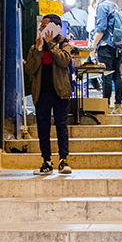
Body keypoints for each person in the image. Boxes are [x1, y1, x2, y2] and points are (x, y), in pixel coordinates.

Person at [24, 14, 76, 174]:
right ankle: (46, 161)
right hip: (41, 92)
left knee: (61, 125)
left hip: (60, 92)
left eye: (44, 26)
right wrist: (39, 50)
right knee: (43, 128)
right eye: (40, 26)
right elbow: (29, 69)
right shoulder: (35, 47)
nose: (41, 29)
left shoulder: (64, 45)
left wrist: (51, 44)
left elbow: (64, 61)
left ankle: (63, 160)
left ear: (55, 28)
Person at [91, 0, 122, 108]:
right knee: (116, 75)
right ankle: (118, 103)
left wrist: (93, 46)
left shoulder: (102, 6)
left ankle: (105, 103)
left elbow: (100, 29)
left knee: (106, 74)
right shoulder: (115, 6)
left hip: (105, 45)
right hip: (117, 46)